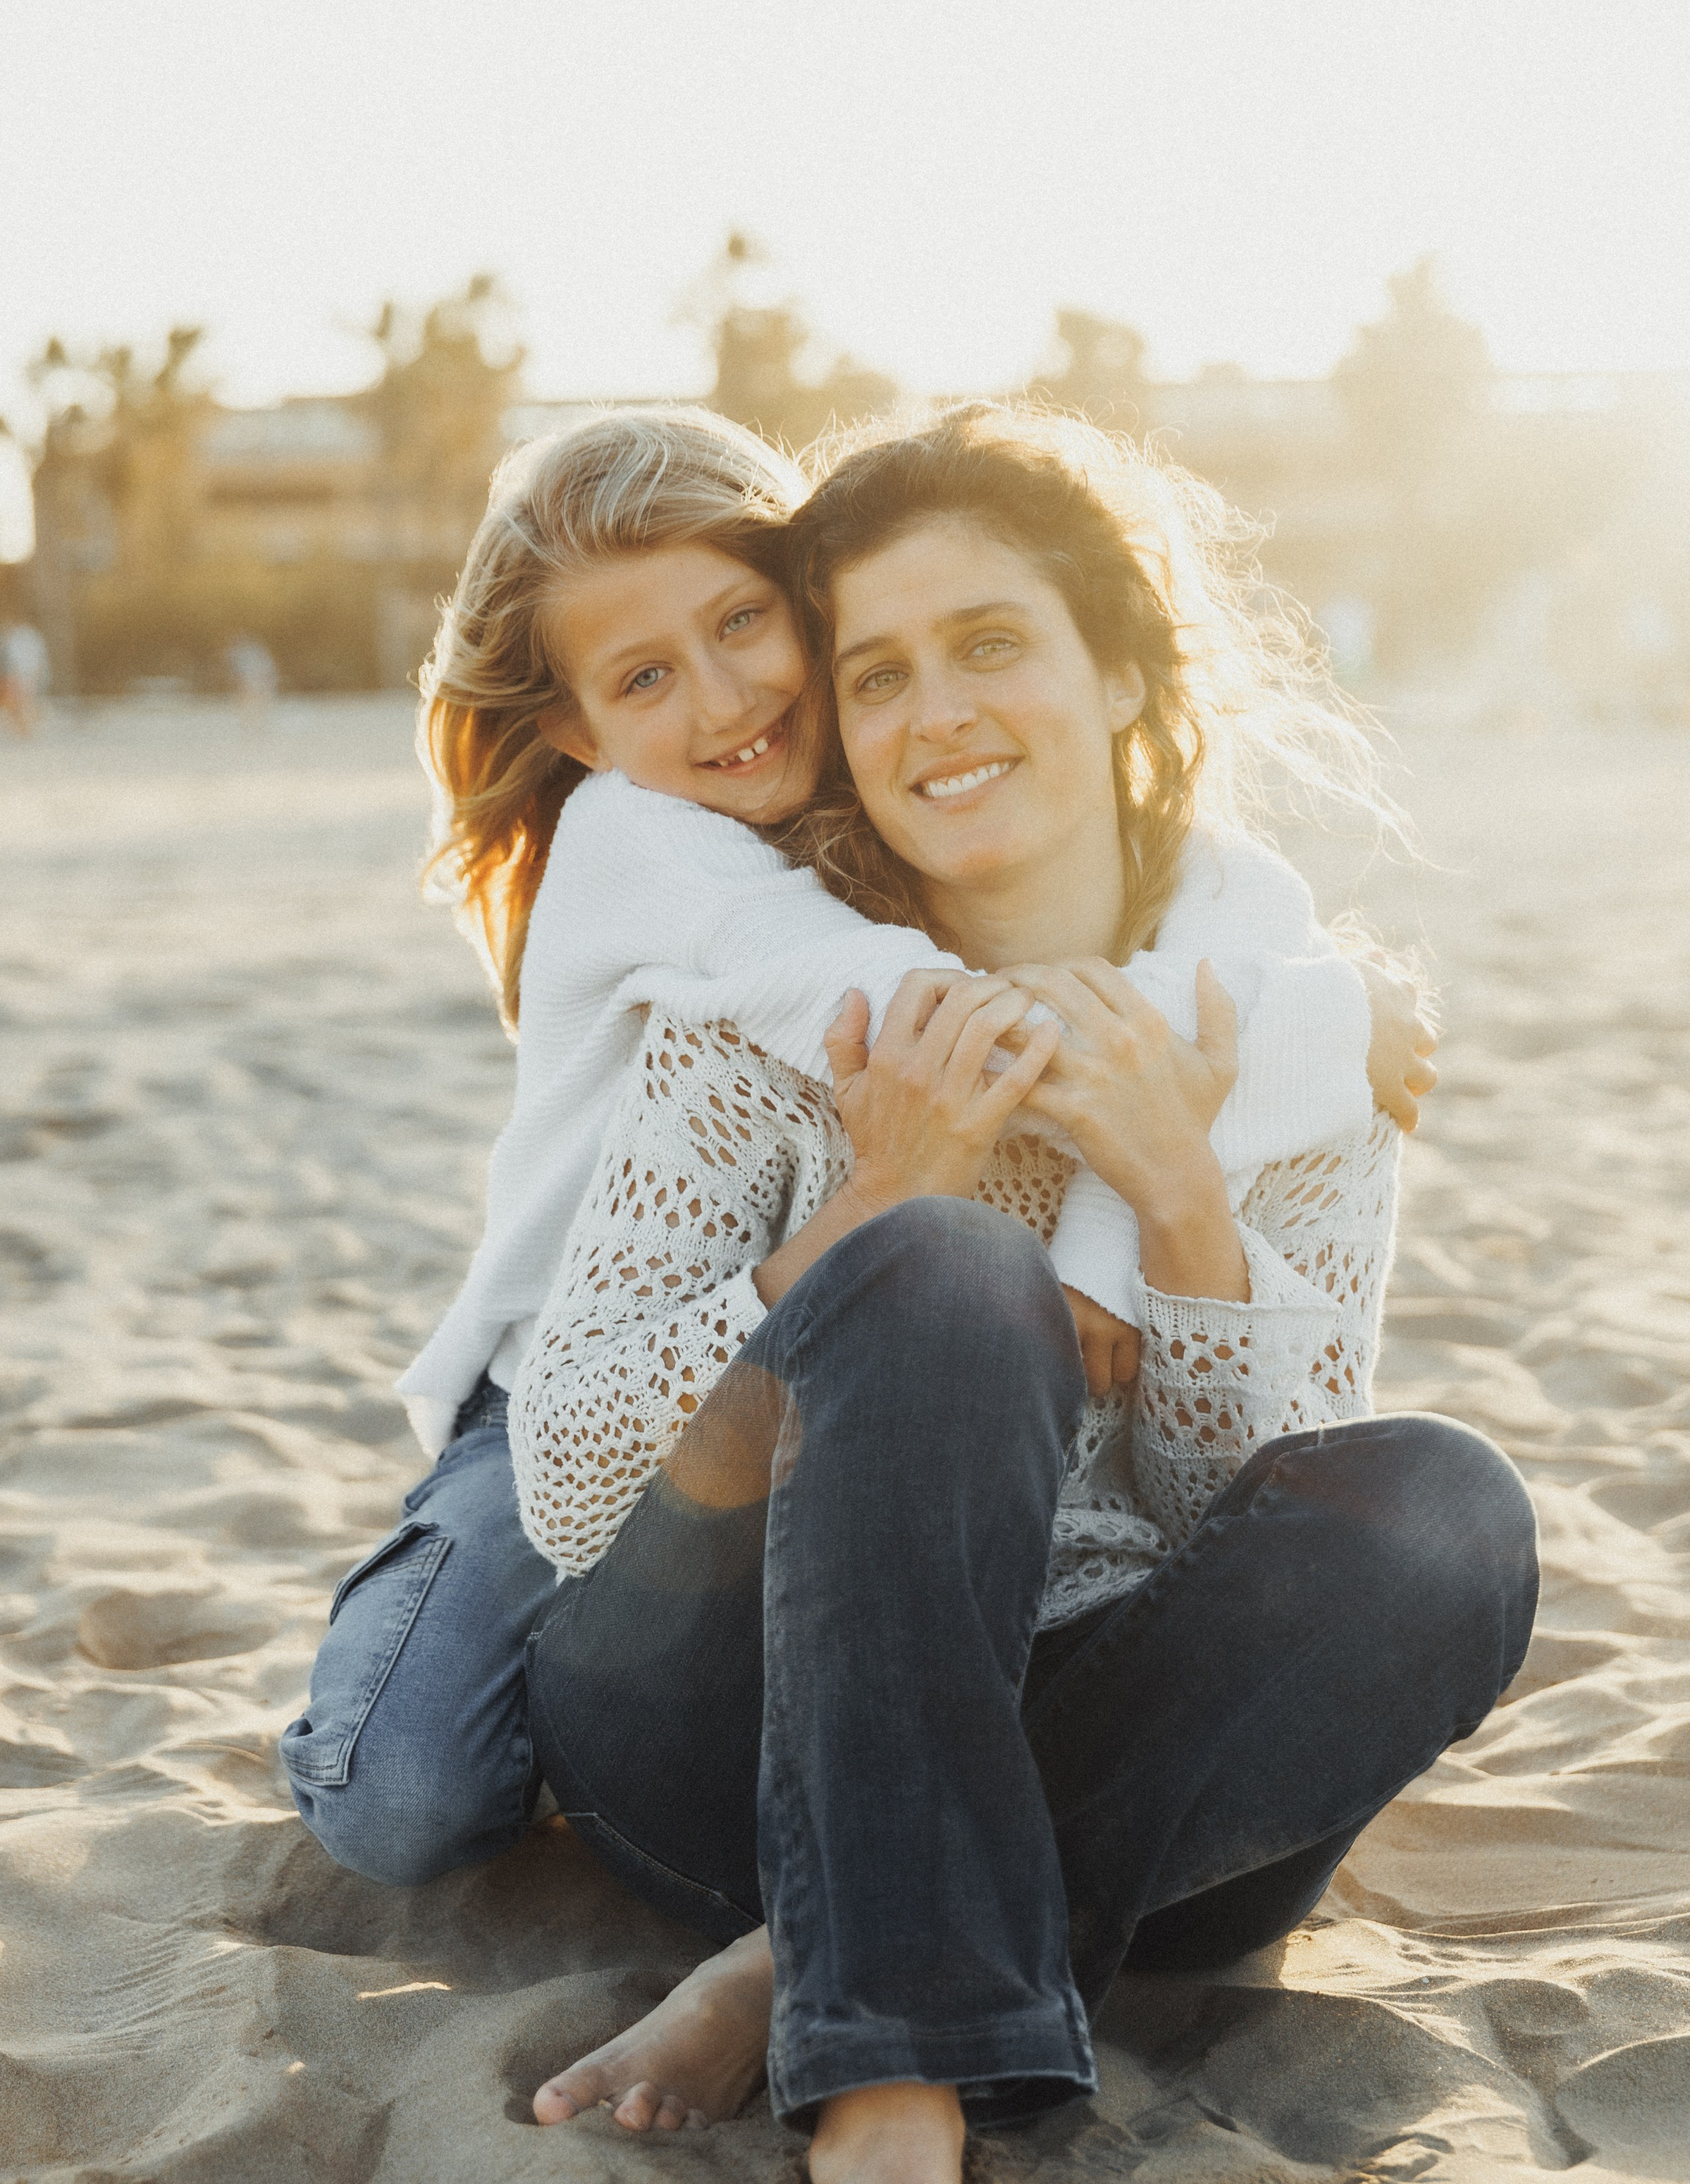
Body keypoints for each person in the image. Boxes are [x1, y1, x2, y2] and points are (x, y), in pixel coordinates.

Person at [508, 405, 1538, 2184]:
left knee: (1448, 1506)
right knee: (949, 1276)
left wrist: (1180, 1197)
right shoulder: (776, 1016)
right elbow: (571, 1479)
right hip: (717, 1726)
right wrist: (874, 1206)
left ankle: (807, 1959)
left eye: (989, 645)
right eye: (877, 672)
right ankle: (890, 2115)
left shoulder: (1277, 1043)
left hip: (1130, 1776)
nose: (934, 713)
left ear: (1125, 678)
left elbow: (1256, 1520)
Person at [283, 408, 1436, 1884]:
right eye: (645, 676)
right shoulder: (650, 840)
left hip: (799, 1405)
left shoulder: (894, 806)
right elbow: (928, 1034)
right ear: (578, 733)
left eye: (742, 623)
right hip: (554, 1390)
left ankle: (856, 1894)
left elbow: (1233, 900)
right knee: (408, 1788)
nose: (722, 700)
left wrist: (1137, 1205)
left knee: (1431, 1513)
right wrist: (1321, 1027)